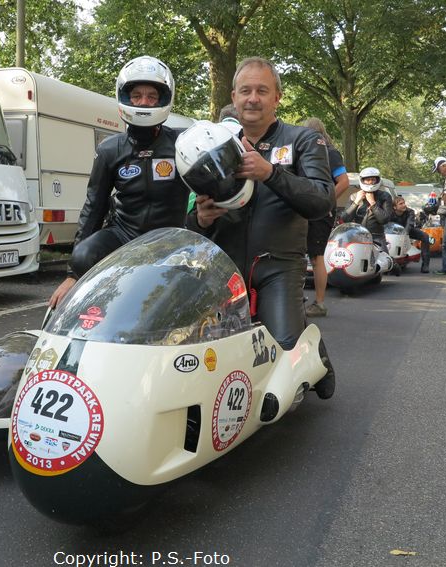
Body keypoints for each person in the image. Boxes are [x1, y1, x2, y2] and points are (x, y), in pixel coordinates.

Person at [187, 56, 336, 399]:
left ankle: (314, 347)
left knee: (282, 358)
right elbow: (191, 218)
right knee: (193, 354)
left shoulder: (303, 139)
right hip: (223, 267)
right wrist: (201, 219)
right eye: (245, 91)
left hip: (278, 266)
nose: (252, 98)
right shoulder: (211, 140)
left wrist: (270, 172)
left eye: (262, 91)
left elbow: (322, 201)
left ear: (277, 98)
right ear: (234, 96)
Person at [48, 56, 188, 308]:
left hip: (171, 239)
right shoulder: (110, 149)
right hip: (124, 234)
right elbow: (94, 206)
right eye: (136, 95)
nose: (143, 102)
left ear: (163, 99)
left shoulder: (183, 143)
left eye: (151, 96)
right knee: (84, 254)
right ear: (125, 98)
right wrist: (72, 274)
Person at [301, 117, 349, 317]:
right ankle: (298, 298)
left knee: (316, 257)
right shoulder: (309, 152)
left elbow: (344, 181)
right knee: (301, 254)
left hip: (321, 212)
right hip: (308, 211)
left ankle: (319, 303)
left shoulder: (330, 153)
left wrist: (326, 200)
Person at [390, 196, 432, 273]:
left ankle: (425, 265)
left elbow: (410, 224)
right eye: (400, 204)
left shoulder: (410, 212)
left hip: (407, 231)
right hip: (392, 233)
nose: (404, 205)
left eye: (404, 203)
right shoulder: (389, 213)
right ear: (394, 207)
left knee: (425, 237)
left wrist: (405, 233)